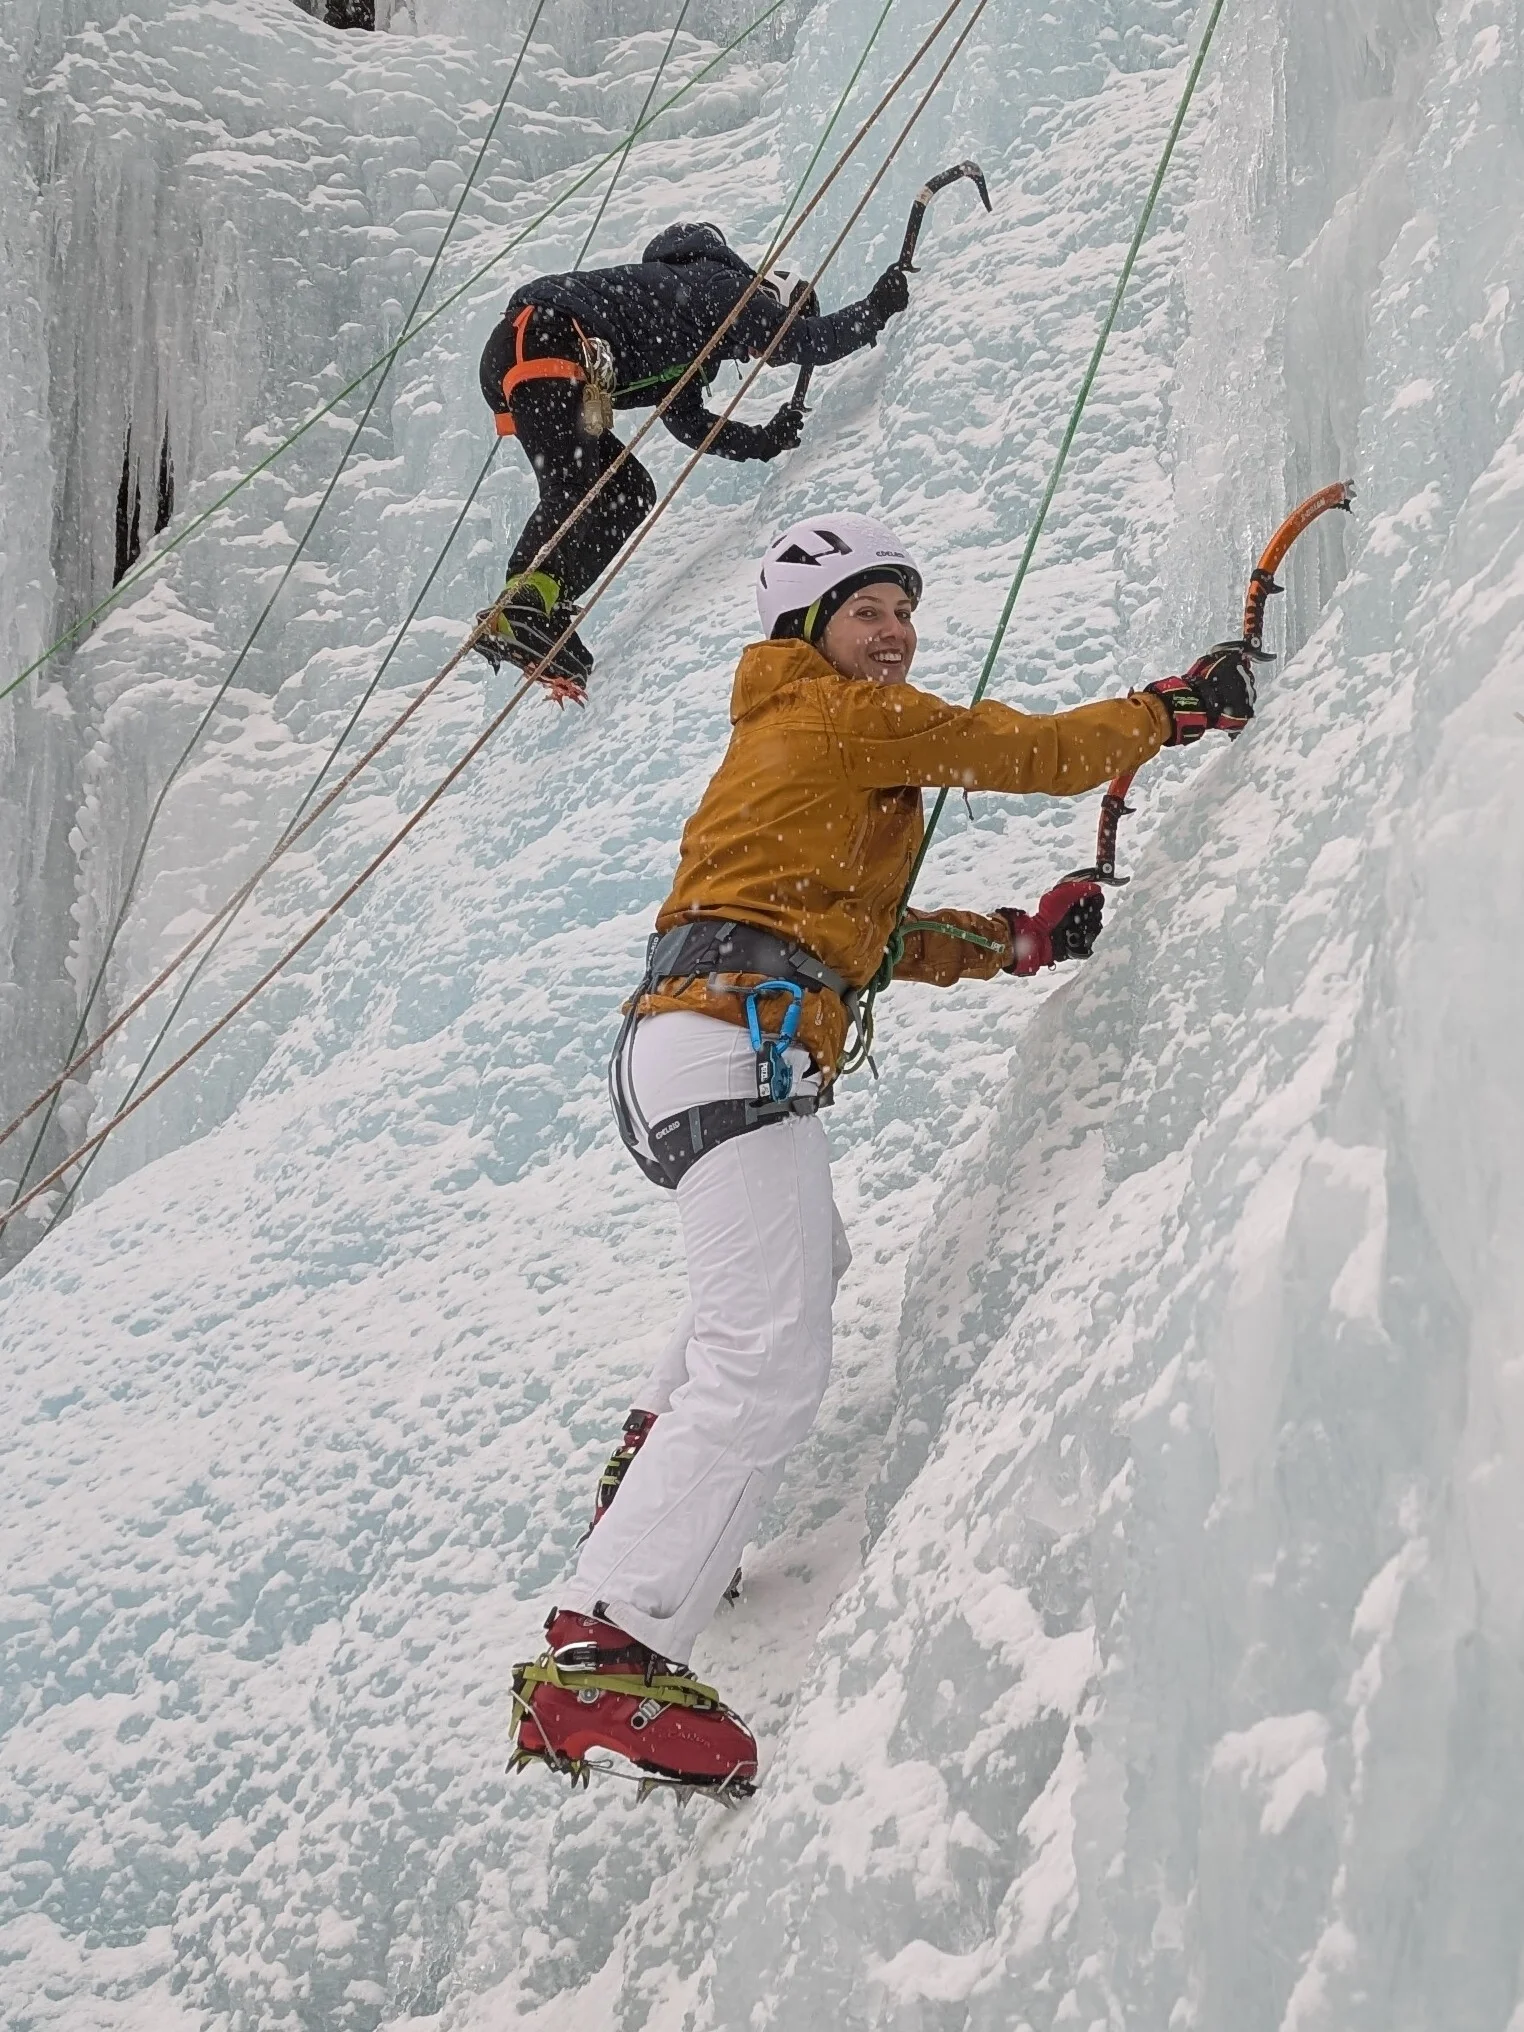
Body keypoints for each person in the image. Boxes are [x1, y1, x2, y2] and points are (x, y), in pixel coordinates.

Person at [509, 513, 1257, 1798]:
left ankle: (650, 1467)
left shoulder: (813, 737)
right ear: (809, 630)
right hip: (730, 1040)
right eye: (868, 611)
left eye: (904, 611)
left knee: (798, 1267)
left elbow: (867, 936)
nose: (896, 632)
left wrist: (1013, 940)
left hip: (700, 1037)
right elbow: (1023, 750)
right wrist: (1170, 712)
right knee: (770, 1357)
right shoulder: (827, 711)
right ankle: (604, 1644)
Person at [474, 224, 911, 689]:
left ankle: (546, 601)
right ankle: (519, 608)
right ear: (770, 295)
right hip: (546, 336)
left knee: (628, 490)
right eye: (770, 329)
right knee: (574, 484)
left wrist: (763, 441)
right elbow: (803, 340)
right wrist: (875, 309)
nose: (761, 353)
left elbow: (690, 424)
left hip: (541, 353)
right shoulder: (719, 284)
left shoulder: (688, 338)